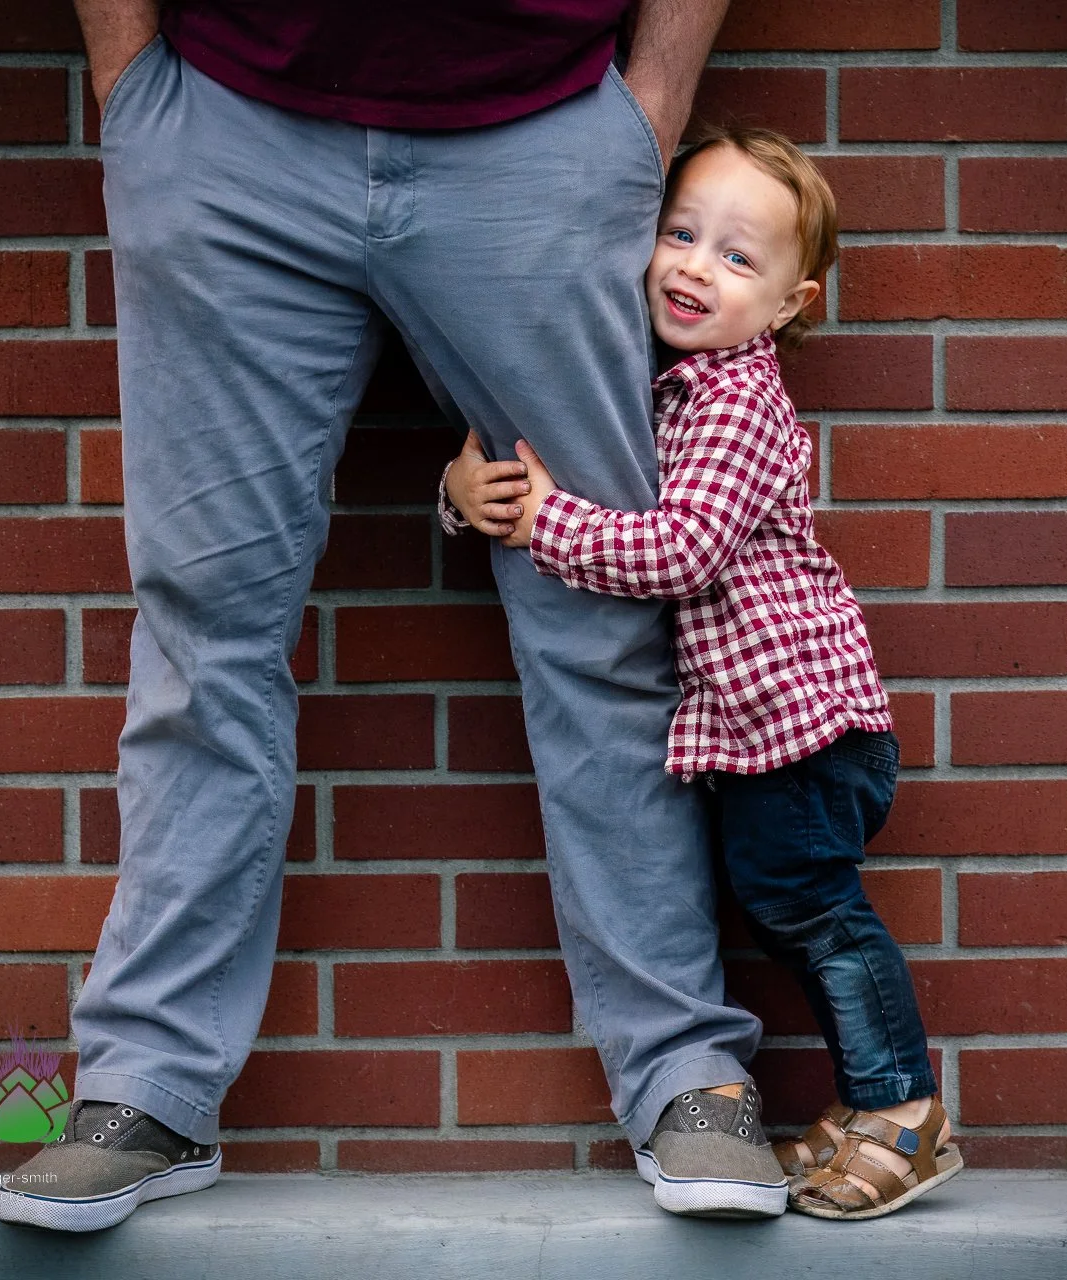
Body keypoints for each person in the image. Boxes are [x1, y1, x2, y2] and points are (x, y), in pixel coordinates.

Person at [0, 0, 786, 1232]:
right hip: (224, 127)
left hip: (542, 134)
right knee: (206, 622)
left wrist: (651, 107)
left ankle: (686, 1064)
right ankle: (144, 1081)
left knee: (601, 615)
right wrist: (131, 85)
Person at [443, 127, 963, 1220]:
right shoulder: (670, 385)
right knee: (786, 904)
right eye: (679, 234)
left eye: (736, 257)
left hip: (808, 728)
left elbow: (679, 550)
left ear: (787, 303)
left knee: (810, 909)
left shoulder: (734, 400)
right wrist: (467, 495)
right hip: (766, 728)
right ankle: (875, 1100)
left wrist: (542, 521)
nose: (692, 266)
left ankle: (902, 1108)